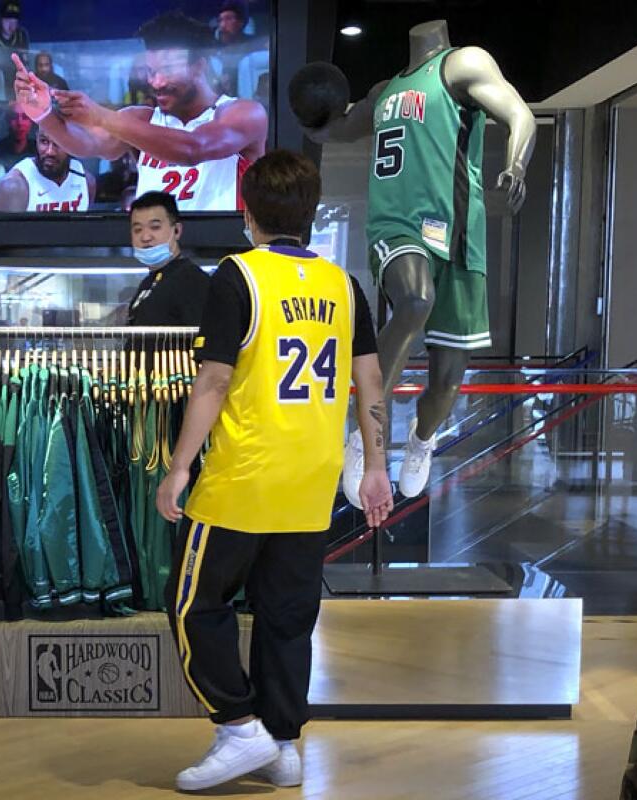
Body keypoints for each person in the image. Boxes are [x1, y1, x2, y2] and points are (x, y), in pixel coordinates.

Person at [154, 150, 392, 791]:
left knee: (192, 605)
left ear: (248, 212)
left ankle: (239, 728)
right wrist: (376, 465)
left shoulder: (238, 276)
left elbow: (214, 379)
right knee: (288, 615)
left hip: (242, 477)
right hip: (311, 479)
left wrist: (178, 468)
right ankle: (283, 743)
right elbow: (369, 378)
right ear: (311, 214)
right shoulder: (344, 286)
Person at [12, 10, 266, 212]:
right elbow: (87, 144)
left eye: (167, 70)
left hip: (223, 259)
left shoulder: (242, 113)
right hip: (161, 262)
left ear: (198, 67)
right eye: (152, 72)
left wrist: (102, 115)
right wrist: (42, 113)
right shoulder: (141, 118)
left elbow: (193, 148)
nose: (156, 82)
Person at [125, 191, 208, 326]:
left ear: (177, 231)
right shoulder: (147, 283)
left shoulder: (192, 281)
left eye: (155, 227)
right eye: (138, 229)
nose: (145, 237)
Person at [0, 127, 95, 212]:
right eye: (44, 141)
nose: (49, 151)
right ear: (37, 139)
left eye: (58, 143)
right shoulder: (13, 187)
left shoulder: (86, 182)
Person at [0, 102, 36, 167]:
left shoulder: (38, 150)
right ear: (8, 120)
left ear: (31, 122)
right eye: (14, 117)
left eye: (25, 117)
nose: (20, 123)